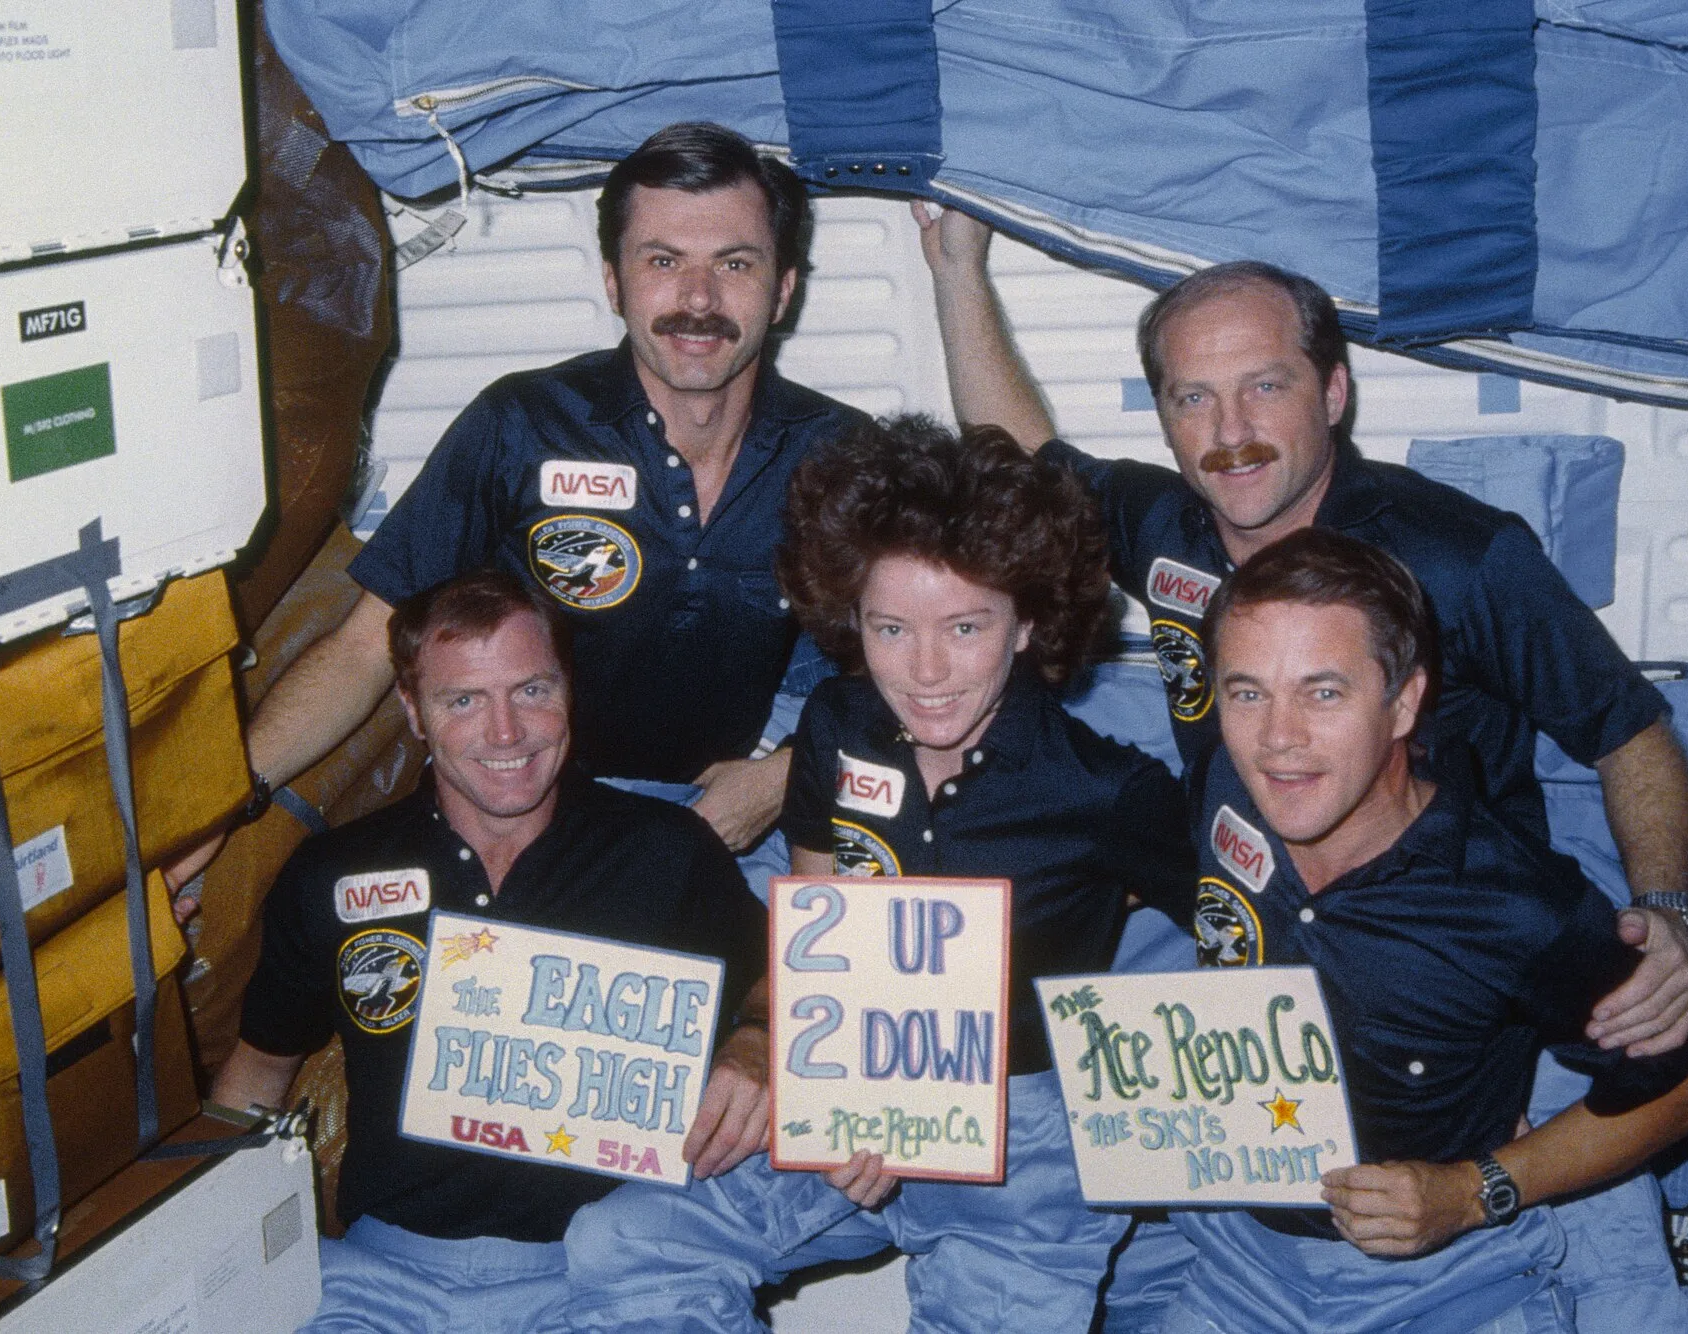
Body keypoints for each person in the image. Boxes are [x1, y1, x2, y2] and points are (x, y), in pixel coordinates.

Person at [913, 208, 1688, 1055]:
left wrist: (1668, 914)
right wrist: (956, 267)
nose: (1230, 434)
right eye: (1194, 398)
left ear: (1333, 392)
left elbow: (1631, 733)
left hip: (1441, 955)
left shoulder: (1462, 557)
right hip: (1252, 914)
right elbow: (1024, 457)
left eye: (1265, 386)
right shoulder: (1170, 528)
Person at [556, 417, 1197, 1333]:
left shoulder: (1108, 789)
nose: (925, 672)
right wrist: (771, 1044)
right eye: (891, 626)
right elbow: (817, 926)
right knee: (626, 1245)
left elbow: (1258, 943)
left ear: (1026, 623)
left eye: (965, 627)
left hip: (1024, 1142)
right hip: (851, 1079)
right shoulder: (837, 721)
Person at [168, 121, 866, 901]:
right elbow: (366, 648)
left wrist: (783, 776)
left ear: (784, 290)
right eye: (662, 261)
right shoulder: (521, 426)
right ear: (613, 282)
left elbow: (918, 663)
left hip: (744, 809)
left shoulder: (843, 455)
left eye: (734, 264)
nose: (697, 300)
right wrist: (228, 800)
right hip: (537, 812)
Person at [1149, 527, 1688, 1332]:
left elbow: (1683, 1097)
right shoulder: (1221, 790)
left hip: (1438, 1280)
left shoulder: (1513, 902)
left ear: (1405, 701)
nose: (1277, 739)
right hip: (1237, 1259)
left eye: (1323, 693)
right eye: (1247, 692)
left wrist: (1472, 1192)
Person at [210, 570, 771, 1332]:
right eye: (464, 701)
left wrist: (756, 1042)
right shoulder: (337, 873)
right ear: (413, 710)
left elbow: (787, 978)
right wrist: (214, 1254)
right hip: (379, 1280)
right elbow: (256, 1077)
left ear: (568, 689)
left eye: (532, 690)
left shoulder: (667, 853)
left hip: (603, 1275)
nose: (506, 734)